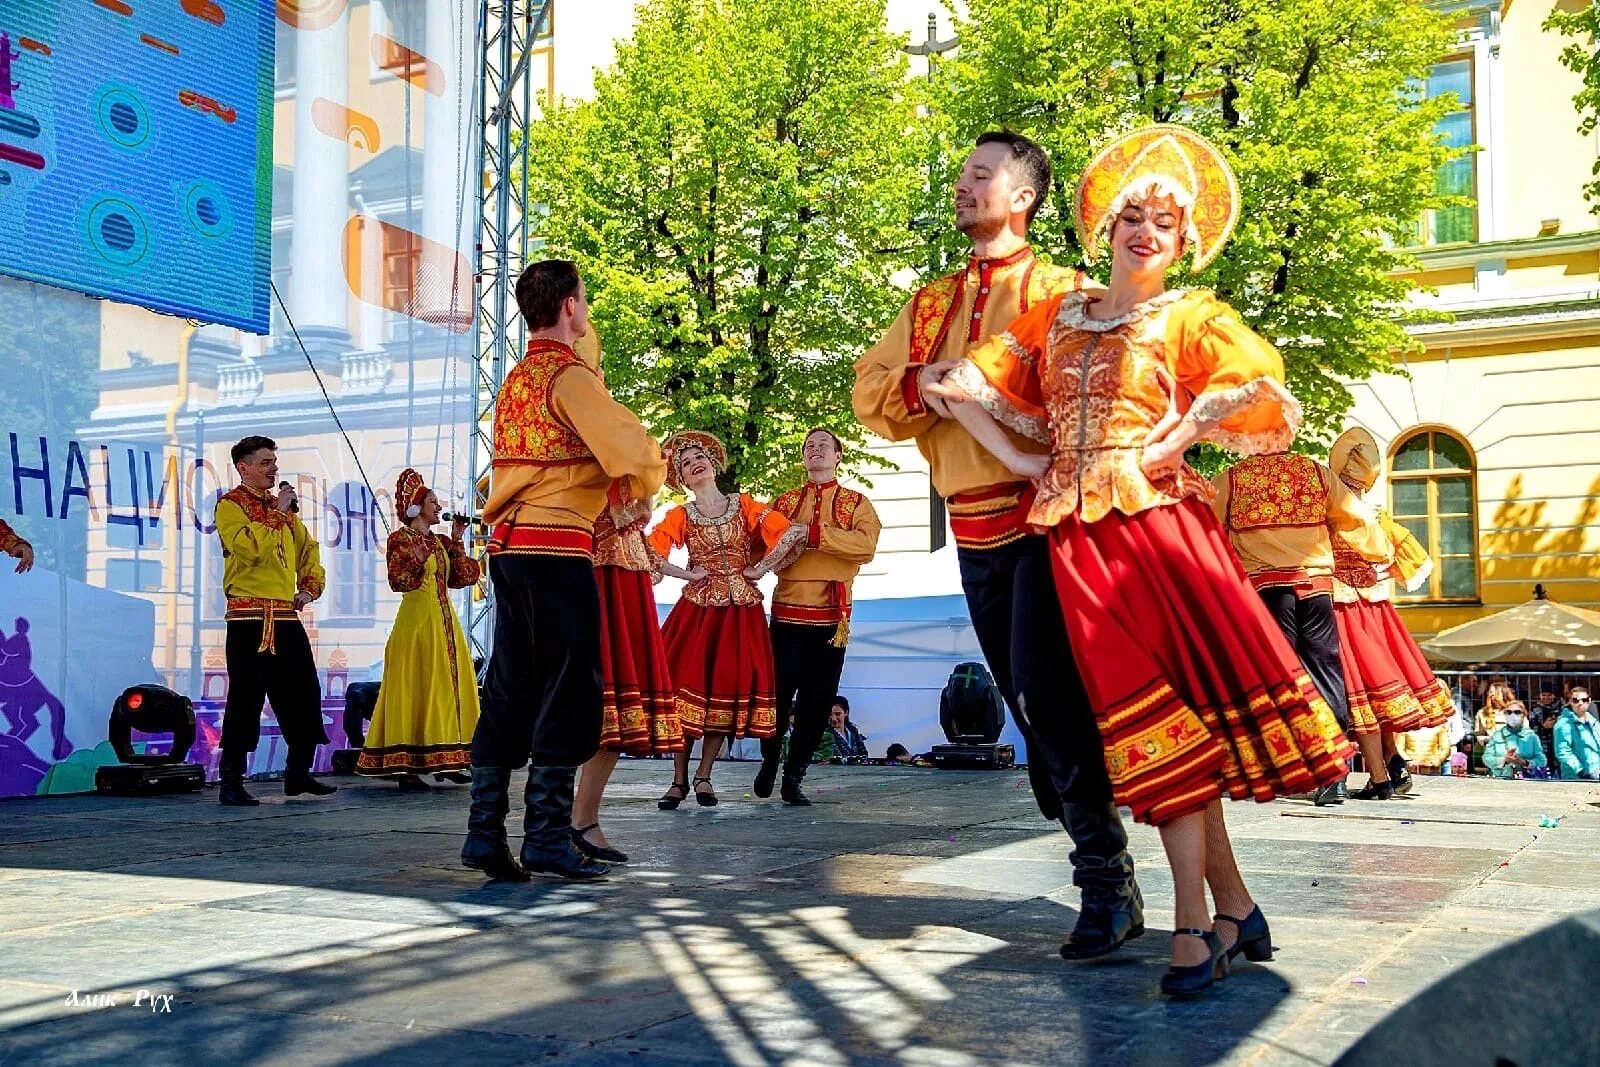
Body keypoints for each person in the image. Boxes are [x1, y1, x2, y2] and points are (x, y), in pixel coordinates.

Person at [931, 124, 1354, 996]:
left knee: (1160, 712)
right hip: (1060, 531)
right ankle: (1232, 904)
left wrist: (1186, 430)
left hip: (1150, 531)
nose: (1147, 230)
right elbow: (958, 384)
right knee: (1046, 694)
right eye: (1133, 215)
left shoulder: (1188, 315)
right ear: (1107, 227)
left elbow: (1262, 391)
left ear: (1185, 239)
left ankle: (1198, 922)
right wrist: (1018, 462)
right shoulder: (1062, 312)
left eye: (1166, 221)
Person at [852, 129, 1143, 963]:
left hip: (1047, 518)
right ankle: (1093, 838)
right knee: (1029, 710)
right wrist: (929, 389)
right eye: (961, 175)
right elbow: (872, 388)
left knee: (1048, 700)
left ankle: (1103, 880)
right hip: (971, 527)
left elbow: (1106, 378)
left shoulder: (1060, 290)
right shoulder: (933, 301)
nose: (964, 185)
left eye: (983, 175)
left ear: (1024, 196)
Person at [468, 259, 667, 881]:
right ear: (571, 307)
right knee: (571, 686)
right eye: (584, 300)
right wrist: (640, 483)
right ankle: (547, 836)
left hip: (512, 546)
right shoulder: (570, 377)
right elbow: (628, 443)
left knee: (510, 684)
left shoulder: (517, 379)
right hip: (556, 547)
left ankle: (484, 834)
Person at [1210, 447, 1390, 805]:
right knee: (1326, 670)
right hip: (1316, 585)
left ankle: (1271, 764)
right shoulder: (1316, 473)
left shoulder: (1232, 478)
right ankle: (1334, 768)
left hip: (1267, 588)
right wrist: (1378, 551)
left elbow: (1205, 524)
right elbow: (1355, 518)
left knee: (1276, 676)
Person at [649, 432, 805, 809]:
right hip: (698, 611)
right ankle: (678, 779)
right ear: (682, 478)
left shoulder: (745, 505)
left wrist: (760, 568)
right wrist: (687, 575)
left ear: (713, 463)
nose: (694, 463)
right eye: (685, 463)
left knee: (726, 689)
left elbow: (790, 533)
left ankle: (704, 776)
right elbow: (650, 553)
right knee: (686, 690)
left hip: (740, 611)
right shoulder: (680, 515)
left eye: (700, 456)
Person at [1325, 427, 1457, 799]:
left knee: (1360, 693)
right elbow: (1413, 559)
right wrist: (1377, 572)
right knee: (1377, 694)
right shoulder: (1377, 516)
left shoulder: (1334, 515)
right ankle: (1394, 765)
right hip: (1377, 609)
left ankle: (1380, 776)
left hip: (1343, 607)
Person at [758, 429, 881, 805]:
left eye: (823, 445)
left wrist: (812, 535)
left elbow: (865, 546)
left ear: (839, 455)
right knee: (776, 697)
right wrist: (825, 546)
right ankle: (769, 759)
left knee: (816, 702)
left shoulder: (856, 502)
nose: (815, 450)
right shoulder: (784, 501)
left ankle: (794, 777)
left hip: (832, 617)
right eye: (809, 446)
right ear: (803, 458)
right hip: (787, 611)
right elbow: (767, 543)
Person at [214, 436, 336, 806]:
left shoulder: (282, 512)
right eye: (265, 462)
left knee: (303, 693)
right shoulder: (230, 506)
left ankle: (297, 774)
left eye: (273, 462)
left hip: (284, 615)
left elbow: (308, 551)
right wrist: (280, 513)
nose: (273, 469)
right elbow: (249, 550)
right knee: (246, 698)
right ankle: (231, 780)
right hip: (248, 618)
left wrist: (309, 589)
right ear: (243, 467)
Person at [356, 469, 481, 789]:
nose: (438, 507)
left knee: (445, 688)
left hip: (443, 623)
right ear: (417, 507)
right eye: (433, 502)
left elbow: (462, 578)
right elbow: (400, 582)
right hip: (417, 623)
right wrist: (416, 560)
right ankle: (406, 765)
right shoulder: (400, 539)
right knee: (416, 689)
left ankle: (447, 757)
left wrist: (456, 540)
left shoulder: (439, 542)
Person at [1482, 702, 1547, 780]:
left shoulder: (1532, 736)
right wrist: (1504, 760)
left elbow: (1542, 761)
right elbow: (1486, 758)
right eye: (1509, 712)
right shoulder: (1497, 735)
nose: (1512, 715)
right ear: (1505, 715)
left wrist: (1524, 762)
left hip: (1527, 780)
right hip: (1500, 780)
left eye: (1517, 712)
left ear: (1524, 715)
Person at [1552, 687, 1600, 780]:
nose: (1580, 703)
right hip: (1575, 777)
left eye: (1584, 700)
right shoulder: (1563, 724)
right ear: (1570, 702)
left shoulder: (1594, 722)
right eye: (1575, 700)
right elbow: (1563, 752)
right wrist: (1580, 771)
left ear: (1589, 701)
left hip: (1596, 773)